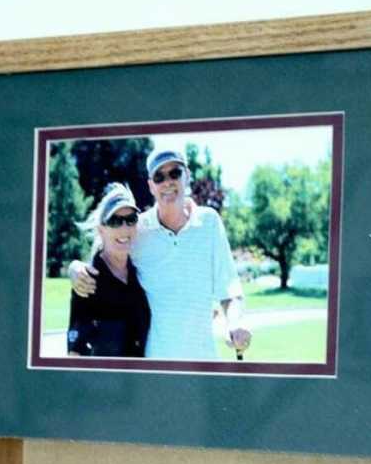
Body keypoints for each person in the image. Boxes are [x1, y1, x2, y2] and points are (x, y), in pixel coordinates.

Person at [70, 149, 251, 360]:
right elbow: (109, 253)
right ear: (151, 186)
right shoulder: (138, 228)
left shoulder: (209, 222)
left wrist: (235, 323)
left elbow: (229, 289)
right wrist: (75, 268)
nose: (168, 182)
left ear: (187, 176)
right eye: (159, 177)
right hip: (153, 367)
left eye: (175, 173)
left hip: (204, 362)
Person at [67, 183, 150, 357]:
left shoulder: (142, 272)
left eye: (131, 219)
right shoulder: (87, 281)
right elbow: (75, 354)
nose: (124, 228)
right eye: (115, 221)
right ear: (101, 230)